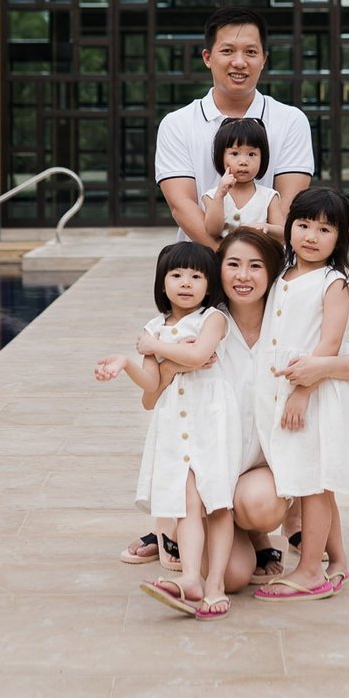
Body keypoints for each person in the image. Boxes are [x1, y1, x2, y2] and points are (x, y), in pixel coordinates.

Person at [135, 228, 349, 597]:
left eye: (255, 266)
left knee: (260, 504)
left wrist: (312, 376)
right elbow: (150, 400)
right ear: (219, 271)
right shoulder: (203, 327)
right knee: (232, 579)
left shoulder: (286, 324)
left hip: (259, 477)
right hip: (213, 473)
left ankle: (254, 532)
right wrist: (173, 366)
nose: (243, 276)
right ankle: (186, 532)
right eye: (232, 265)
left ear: (273, 273)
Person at [95, 243, 241, 620]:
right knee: (188, 502)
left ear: (209, 285)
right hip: (176, 422)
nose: (186, 283)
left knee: (217, 501)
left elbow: (197, 356)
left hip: (211, 416)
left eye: (196, 276)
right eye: (176, 275)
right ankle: (191, 578)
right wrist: (127, 361)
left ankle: (215, 586)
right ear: (163, 282)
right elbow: (150, 390)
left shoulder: (213, 318)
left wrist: (158, 349)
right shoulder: (153, 328)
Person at [251, 188, 349, 601]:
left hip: (312, 394)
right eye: (303, 225)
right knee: (314, 482)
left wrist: (301, 392)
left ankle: (310, 571)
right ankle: (338, 562)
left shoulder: (333, 282)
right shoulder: (283, 270)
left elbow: (329, 345)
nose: (311, 236)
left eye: (324, 229)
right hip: (282, 391)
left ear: (340, 238)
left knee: (315, 484)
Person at [155, 7, 314, 247]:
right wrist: (230, 258)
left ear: (263, 59)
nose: (239, 62)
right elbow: (182, 205)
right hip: (199, 268)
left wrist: (254, 261)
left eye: (250, 52)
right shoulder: (176, 124)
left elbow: (288, 205)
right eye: (227, 51)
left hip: (269, 263)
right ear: (207, 57)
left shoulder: (291, 121)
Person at [201, 116, 286, 243]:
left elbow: (283, 234)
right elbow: (213, 231)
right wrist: (220, 195)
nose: (243, 162)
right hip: (223, 261)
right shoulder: (212, 196)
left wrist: (267, 227)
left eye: (252, 154)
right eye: (235, 154)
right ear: (221, 157)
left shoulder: (269, 196)